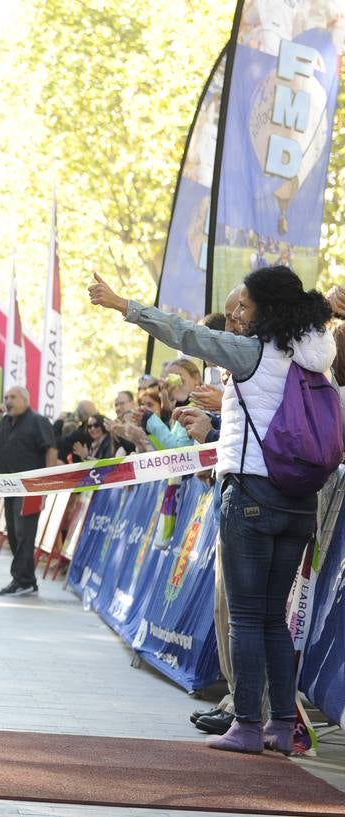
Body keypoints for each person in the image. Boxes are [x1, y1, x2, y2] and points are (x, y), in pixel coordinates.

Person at [90, 267, 334, 753]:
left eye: (245, 305)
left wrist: (124, 305)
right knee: (271, 621)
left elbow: (186, 334)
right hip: (300, 504)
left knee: (245, 618)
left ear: (266, 307)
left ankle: (245, 725)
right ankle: (281, 726)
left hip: (250, 497)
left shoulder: (253, 353)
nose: (237, 315)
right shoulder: (313, 359)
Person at [0, 385, 59, 597]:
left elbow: (51, 449)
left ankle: (20, 579)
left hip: (30, 487)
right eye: (6, 397)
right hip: (7, 487)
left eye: (13, 397)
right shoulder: (3, 422)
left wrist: (47, 481)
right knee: (14, 533)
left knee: (24, 532)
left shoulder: (37, 421)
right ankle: (27, 580)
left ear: (25, 400)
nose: (9, 401)